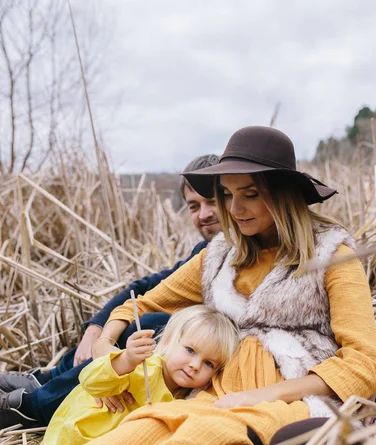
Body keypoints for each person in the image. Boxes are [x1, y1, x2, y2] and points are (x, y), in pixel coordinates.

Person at [0, 126, 376, 445]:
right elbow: (139, 300)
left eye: (250, 194)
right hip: (217, 392)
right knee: (141, 430)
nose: (235, 208)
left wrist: (261, 395)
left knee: (202, 441)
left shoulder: (332, 254)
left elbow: (365, 362)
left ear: (283, 194)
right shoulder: (220, 256)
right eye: (227, 195)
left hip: (296, 398)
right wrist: (111, 347)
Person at [0, 154, 220, 427]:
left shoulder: (231, 257)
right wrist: (96, 329)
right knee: (141, 320)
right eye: (194, 206)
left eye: (212, 202)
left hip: (194, 361)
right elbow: (143, 289)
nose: (204, 214)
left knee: (154, 325)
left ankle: (33, 408)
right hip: (165, 353)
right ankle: (48, 379)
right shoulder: (204, 253)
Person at [37, 305, 239, 445]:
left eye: (209, 364)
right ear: (168, 341)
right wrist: (124, 360)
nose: (195, 365)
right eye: (190, 350)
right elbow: (90, 381)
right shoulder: (146, 366)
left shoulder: (186, 397)